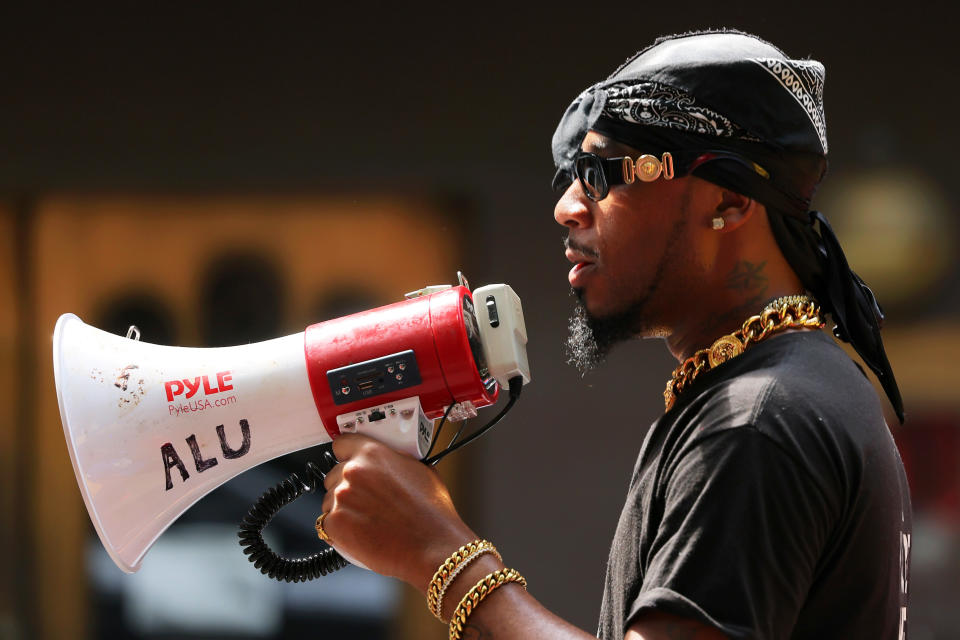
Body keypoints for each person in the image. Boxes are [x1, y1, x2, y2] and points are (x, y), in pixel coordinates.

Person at [317, 30, 912, 639]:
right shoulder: (787, 393)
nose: (569, 207)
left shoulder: (759, 420)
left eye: (603, 174)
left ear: (730, 202)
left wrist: (443, 558)